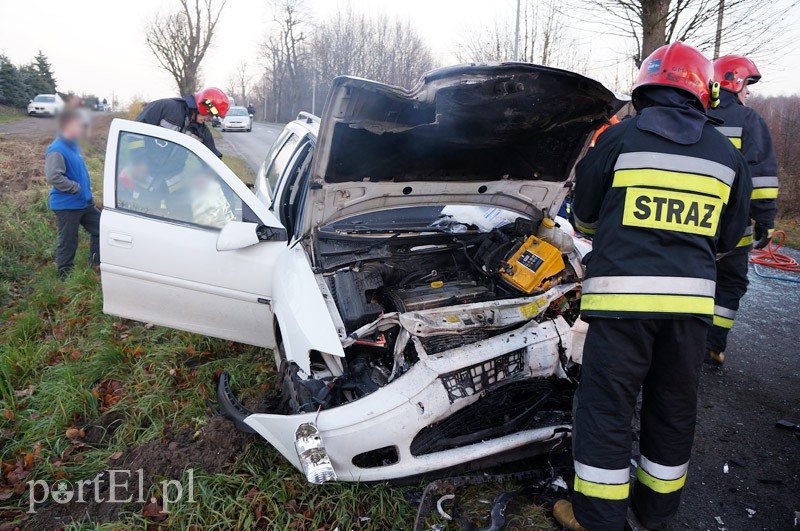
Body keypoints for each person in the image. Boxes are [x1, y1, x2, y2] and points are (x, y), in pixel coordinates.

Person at [559, 42, 752, 530]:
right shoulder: (727, 154)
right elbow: (730, 239)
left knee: (607, 412)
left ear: (645, 87)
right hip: (688, 316)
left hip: (620, 309)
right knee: (672, 413)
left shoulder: (619, 140)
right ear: (701, 90)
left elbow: (582, 217)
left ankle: (598, 520)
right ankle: (653, 517)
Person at [705, 55, 779, 365]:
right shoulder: (748, 120)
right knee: (729, 283)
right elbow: (760, 179)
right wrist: (765, 220)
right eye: (747, 84)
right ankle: (712, 346)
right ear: (734, 82)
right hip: (733, 228)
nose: (748, 92)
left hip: (693, 220)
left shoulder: (695, 115)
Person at [44, 109, 102, 279]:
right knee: (68, 241)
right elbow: (53, 176)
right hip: (67, 205)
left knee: (100, 229)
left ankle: (96, 263)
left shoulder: (73, 145)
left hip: (84, 202)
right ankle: (65, 276)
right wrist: (75, 188)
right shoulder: (57, 149)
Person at [135, 87, 230, 158]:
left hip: (170, 179)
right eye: (211, 114)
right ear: (204, 106)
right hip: (143, 172)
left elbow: (214, 159)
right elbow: (134, 132)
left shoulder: (202, 132)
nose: (210, 119)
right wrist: (138, 161)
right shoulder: (165, 107)